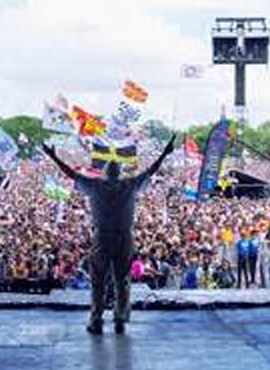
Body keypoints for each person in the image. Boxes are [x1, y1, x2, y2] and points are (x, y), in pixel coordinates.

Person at [42, 135, 176, 335]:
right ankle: (120, 318)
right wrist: (164, 153)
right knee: (122, 279)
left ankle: (96, 319)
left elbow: (70, 173)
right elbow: (151, 171)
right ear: (120, 173)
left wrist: (54, 156)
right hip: (124, 237)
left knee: (98, 279)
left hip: (102, 237)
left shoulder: (95, 185)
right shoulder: (129, 184)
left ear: (104, 174)